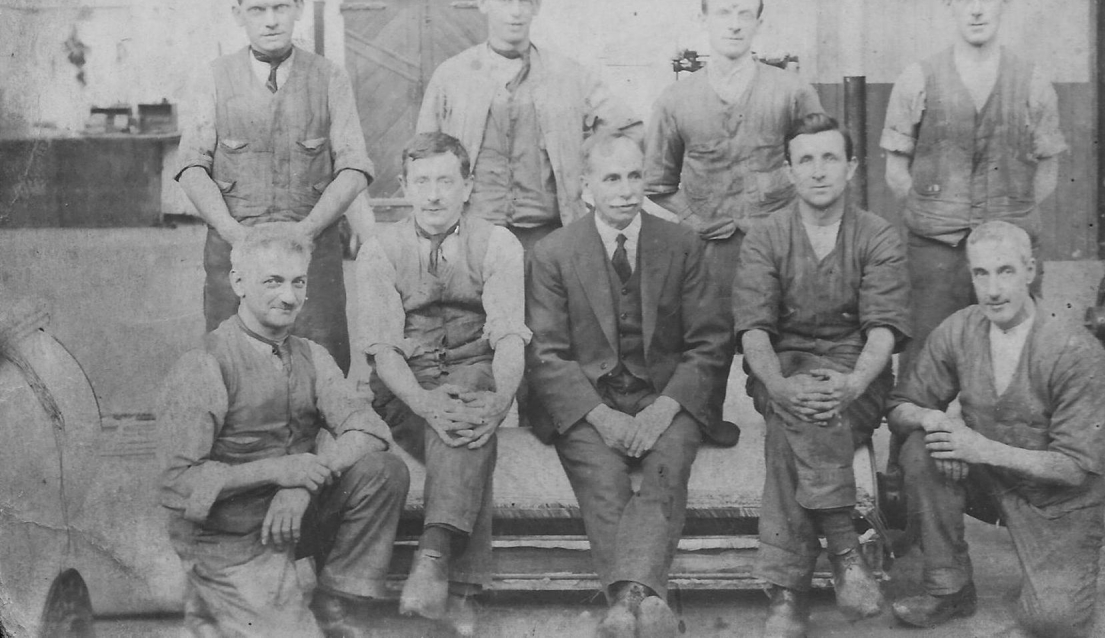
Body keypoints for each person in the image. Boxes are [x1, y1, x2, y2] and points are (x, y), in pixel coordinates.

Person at [526, 130, 731, 638]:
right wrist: (600, 416)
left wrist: (664, 410)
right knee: (602, 476)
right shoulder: (554, 252)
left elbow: (709, 342)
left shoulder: (682, 244)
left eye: (634, 175)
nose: (624, 189)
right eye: (611, 177)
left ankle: (625, 602)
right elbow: (547, 354)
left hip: (665, 395)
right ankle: (645, 597)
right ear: (586, 187)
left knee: (667, 469)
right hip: (588, 401)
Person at [157, 224, 407, 638]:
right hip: (230, 538)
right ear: (238, 282)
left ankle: (336, 598)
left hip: (297, 518)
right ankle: (219, 603)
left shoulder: (312, 355)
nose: (289, 297)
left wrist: (303, 483)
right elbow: (175, 484)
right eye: (272, 281)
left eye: (298, 282)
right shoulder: (205, 364)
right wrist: (277, 471)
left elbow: (370, 429)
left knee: (383, 470)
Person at [887, 220, 1105, 638]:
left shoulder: (1074, 350)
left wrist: (976, 449)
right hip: (988, 482)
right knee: (919, 448)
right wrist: (934, 420)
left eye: (1006, 271)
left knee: (1053, 622)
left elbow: (1076, 469)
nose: (993, 290)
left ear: (1030, 270)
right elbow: (901, 407)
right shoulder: (961, 328)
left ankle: (1047, 585)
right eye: (981, 273)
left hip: (1055, 502)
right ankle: (949, 587)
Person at [734, 114, 909, 637]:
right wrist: (781, 386)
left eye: (829, 157)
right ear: (789, 171)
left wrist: (852, 384)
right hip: (784, 375)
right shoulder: (765, 236)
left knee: (794, 435)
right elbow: (754, 333)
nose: (818, 171)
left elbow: (882, 331)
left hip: (858, 376)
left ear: (851, 167)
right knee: (799, 415)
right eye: (805, 159)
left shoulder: (877, 235)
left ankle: (786, 595)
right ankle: (846, 551)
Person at [356, 132, 529, 637]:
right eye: (422, 181)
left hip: (475, 375)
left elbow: (510, 335)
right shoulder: (379, 250)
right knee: (463, 430)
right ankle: (456, 584)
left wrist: (501, 401)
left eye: (446, 182)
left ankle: (432, 561)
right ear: (404, 186)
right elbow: (384, 350)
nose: (434, 195)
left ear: (467, 186)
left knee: (473, 411)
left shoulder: (498, 243)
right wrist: (425, 404)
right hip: (406, 387)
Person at [644, 0, 825, 447]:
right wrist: (695, 221)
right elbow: (657, 182)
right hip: (709, 250)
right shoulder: (675, 99)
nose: (735, 23)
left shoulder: (791, 92)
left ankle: (784, 415)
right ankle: (706, 420)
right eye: (723, 12)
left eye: (745, 13)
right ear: (703, 19)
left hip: (779, 244)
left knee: (784, 336)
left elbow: (819, 164)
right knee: (709, 338)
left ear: (759, 22)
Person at [176, 0, 374, 374]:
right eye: (257, 10)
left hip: (311, 252)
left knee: (322, 369)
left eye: (280, 8)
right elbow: (192, 167)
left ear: (298, 8)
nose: (270, 21)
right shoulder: (212, 78)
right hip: (233, 252)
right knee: (230, 370)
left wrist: (308, 229)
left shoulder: (330, 78)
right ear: (238, 15)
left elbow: (354, 167)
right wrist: (235, 235)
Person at [881, 0, 1069, 371]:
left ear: (1005, 1)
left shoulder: (1033, 81)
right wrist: (936, 214)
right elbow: (896, 171)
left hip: (1011, 251)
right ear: (949, 4)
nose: (977, 9)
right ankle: (914, 434)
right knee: (924, 361)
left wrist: (1007, 221)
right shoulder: (917, 79)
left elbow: (1048, 172)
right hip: (935, 250)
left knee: (1020, 362)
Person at [416, 0, 642, 255]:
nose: (516, 12)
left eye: (525, 1)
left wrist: (592, 179)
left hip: (550, 235)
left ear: (537, 5)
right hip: (472, 236)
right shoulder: (452, 76)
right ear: (483, 2)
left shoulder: (568, 75)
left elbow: (628, 129)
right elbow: (421, 155)